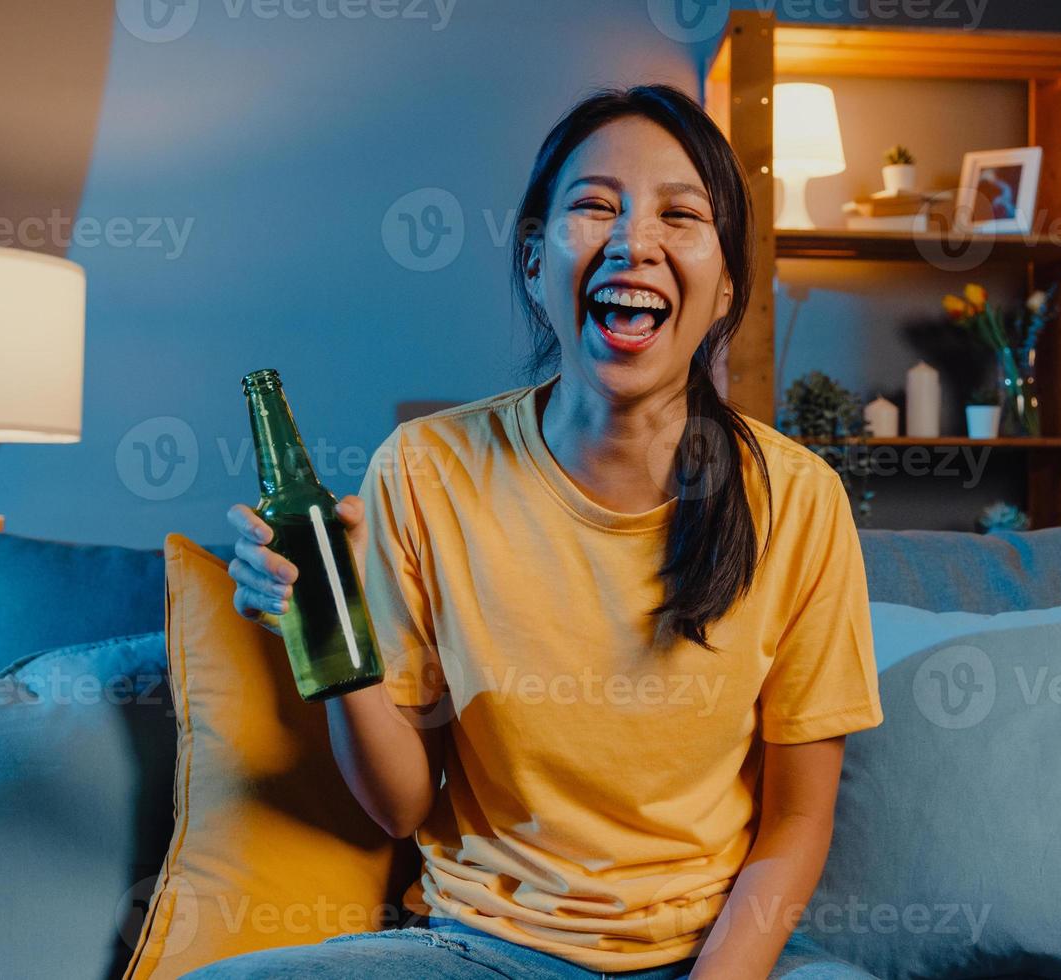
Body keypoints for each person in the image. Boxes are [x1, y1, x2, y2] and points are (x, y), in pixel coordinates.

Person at [200, 83, 882, 979]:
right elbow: (402, 807)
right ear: (533, 261)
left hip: (714, 956)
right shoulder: (425, 470)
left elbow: (798, 818)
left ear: (725, 289)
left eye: (681, 215)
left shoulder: (799, 500)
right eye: (594, 206)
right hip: (478, 949)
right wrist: (331, 631)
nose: (633, 242)